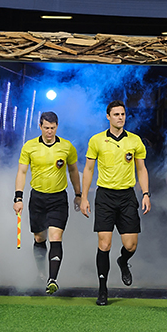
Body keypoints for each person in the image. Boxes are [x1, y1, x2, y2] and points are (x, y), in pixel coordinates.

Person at [80, 100, 151, 306]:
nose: (120, 117)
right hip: (105, 197)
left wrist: (146, 193)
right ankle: (103, 290)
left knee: (130, 245)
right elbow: (88, 170)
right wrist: (84, 197)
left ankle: (123, 261)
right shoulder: (96, 140)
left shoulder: (135, 141)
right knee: (105, 243)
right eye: (116, 114)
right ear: (108, 117)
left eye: (123, 114)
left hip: (127, 196)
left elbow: (141, 169)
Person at [13, 111, 82, 296]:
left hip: (58, 199)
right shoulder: (30, 146)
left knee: (55, 236)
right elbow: (21, 172)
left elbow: (74, 170)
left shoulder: (66, 147)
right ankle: (41, 273)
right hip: (37, 199)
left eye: (52, 128)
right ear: (40, 126)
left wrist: (78, 194)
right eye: (46, 128)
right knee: (39, 238)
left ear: (57, 126)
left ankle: (53, 279)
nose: (49, 131)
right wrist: (18, 198)